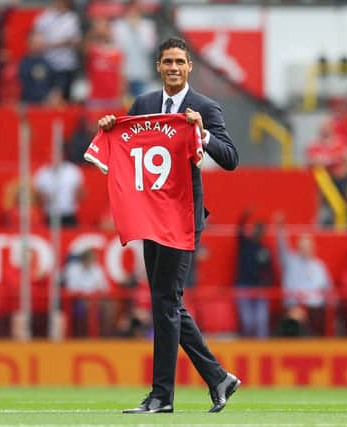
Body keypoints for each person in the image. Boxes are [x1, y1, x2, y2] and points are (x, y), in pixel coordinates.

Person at [95, 37, 240, 414]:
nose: (173, 68)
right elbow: (125, 142)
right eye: (167, 62)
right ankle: (217, 377)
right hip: (150, 216)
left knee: (165, 302)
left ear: (190, 66)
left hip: (182, 218)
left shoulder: (205, 107)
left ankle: (163, 396)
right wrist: (112, 126)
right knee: (166, 302)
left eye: (179, 61)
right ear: (158, 67)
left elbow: (231, 158)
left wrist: (203, 134)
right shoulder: (143, 105)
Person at [275, 212, 332, 336]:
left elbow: (328, 288)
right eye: (302, 247)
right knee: (294, 318)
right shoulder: (291, 262)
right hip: (293, 306)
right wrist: (280, 228)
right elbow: (282, 247)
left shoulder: (319, 266)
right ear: (298, 248)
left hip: (315, 308)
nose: (305, 249)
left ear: (313, 248)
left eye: (307, 247)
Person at [234, 210, 274, 338]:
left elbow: (269, 271)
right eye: (257, 229)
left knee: (261, 321)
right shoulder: (245, 244)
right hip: (244, 286)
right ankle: (247, 346)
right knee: (247, 321)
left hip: (259, 288)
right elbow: (239, 231)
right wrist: (245, 216)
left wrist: (267, 284)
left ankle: (262, 349)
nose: (259, 232)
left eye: (261, 230)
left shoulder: (264, 250)